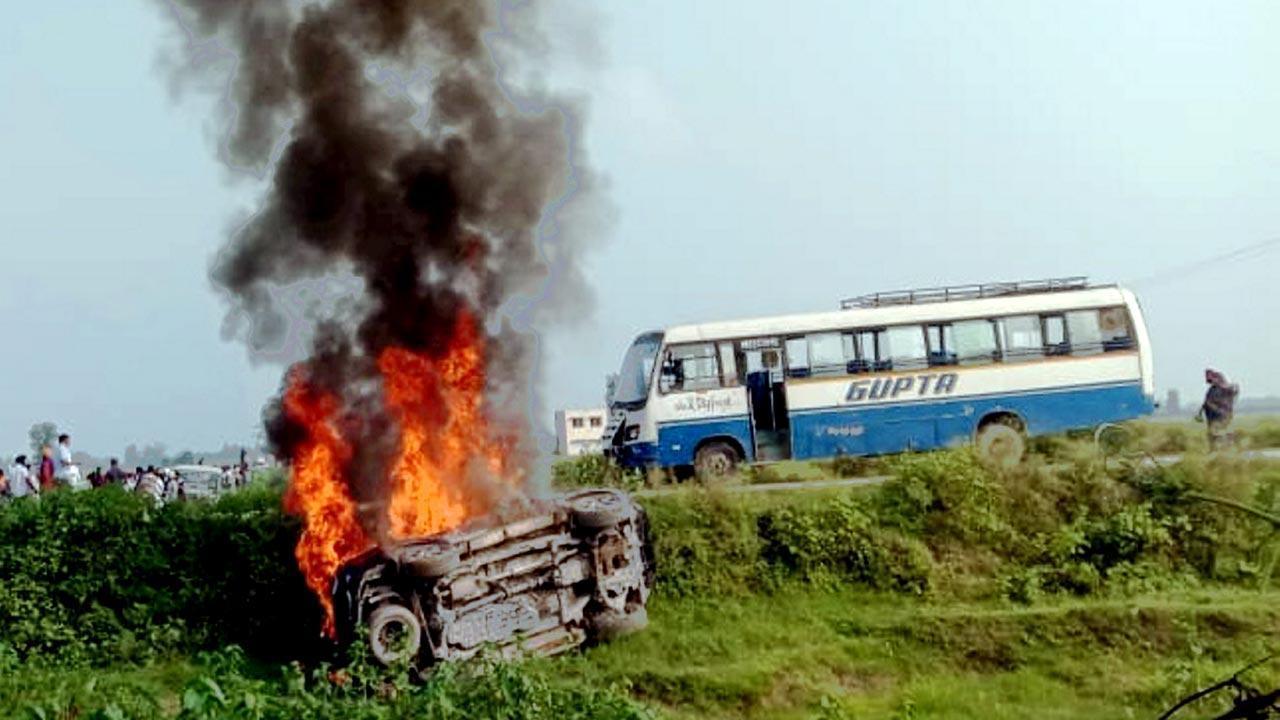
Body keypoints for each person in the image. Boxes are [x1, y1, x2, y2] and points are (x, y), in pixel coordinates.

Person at [1196, 368, 1240, 450]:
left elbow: (1232, 391)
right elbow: (1207, 403)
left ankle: (1224, 448)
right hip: (1215, 416)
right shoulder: (1213, 390)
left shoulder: (1222, 387)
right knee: (1215, 433)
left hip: (1221, 415)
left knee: (1221, 432)